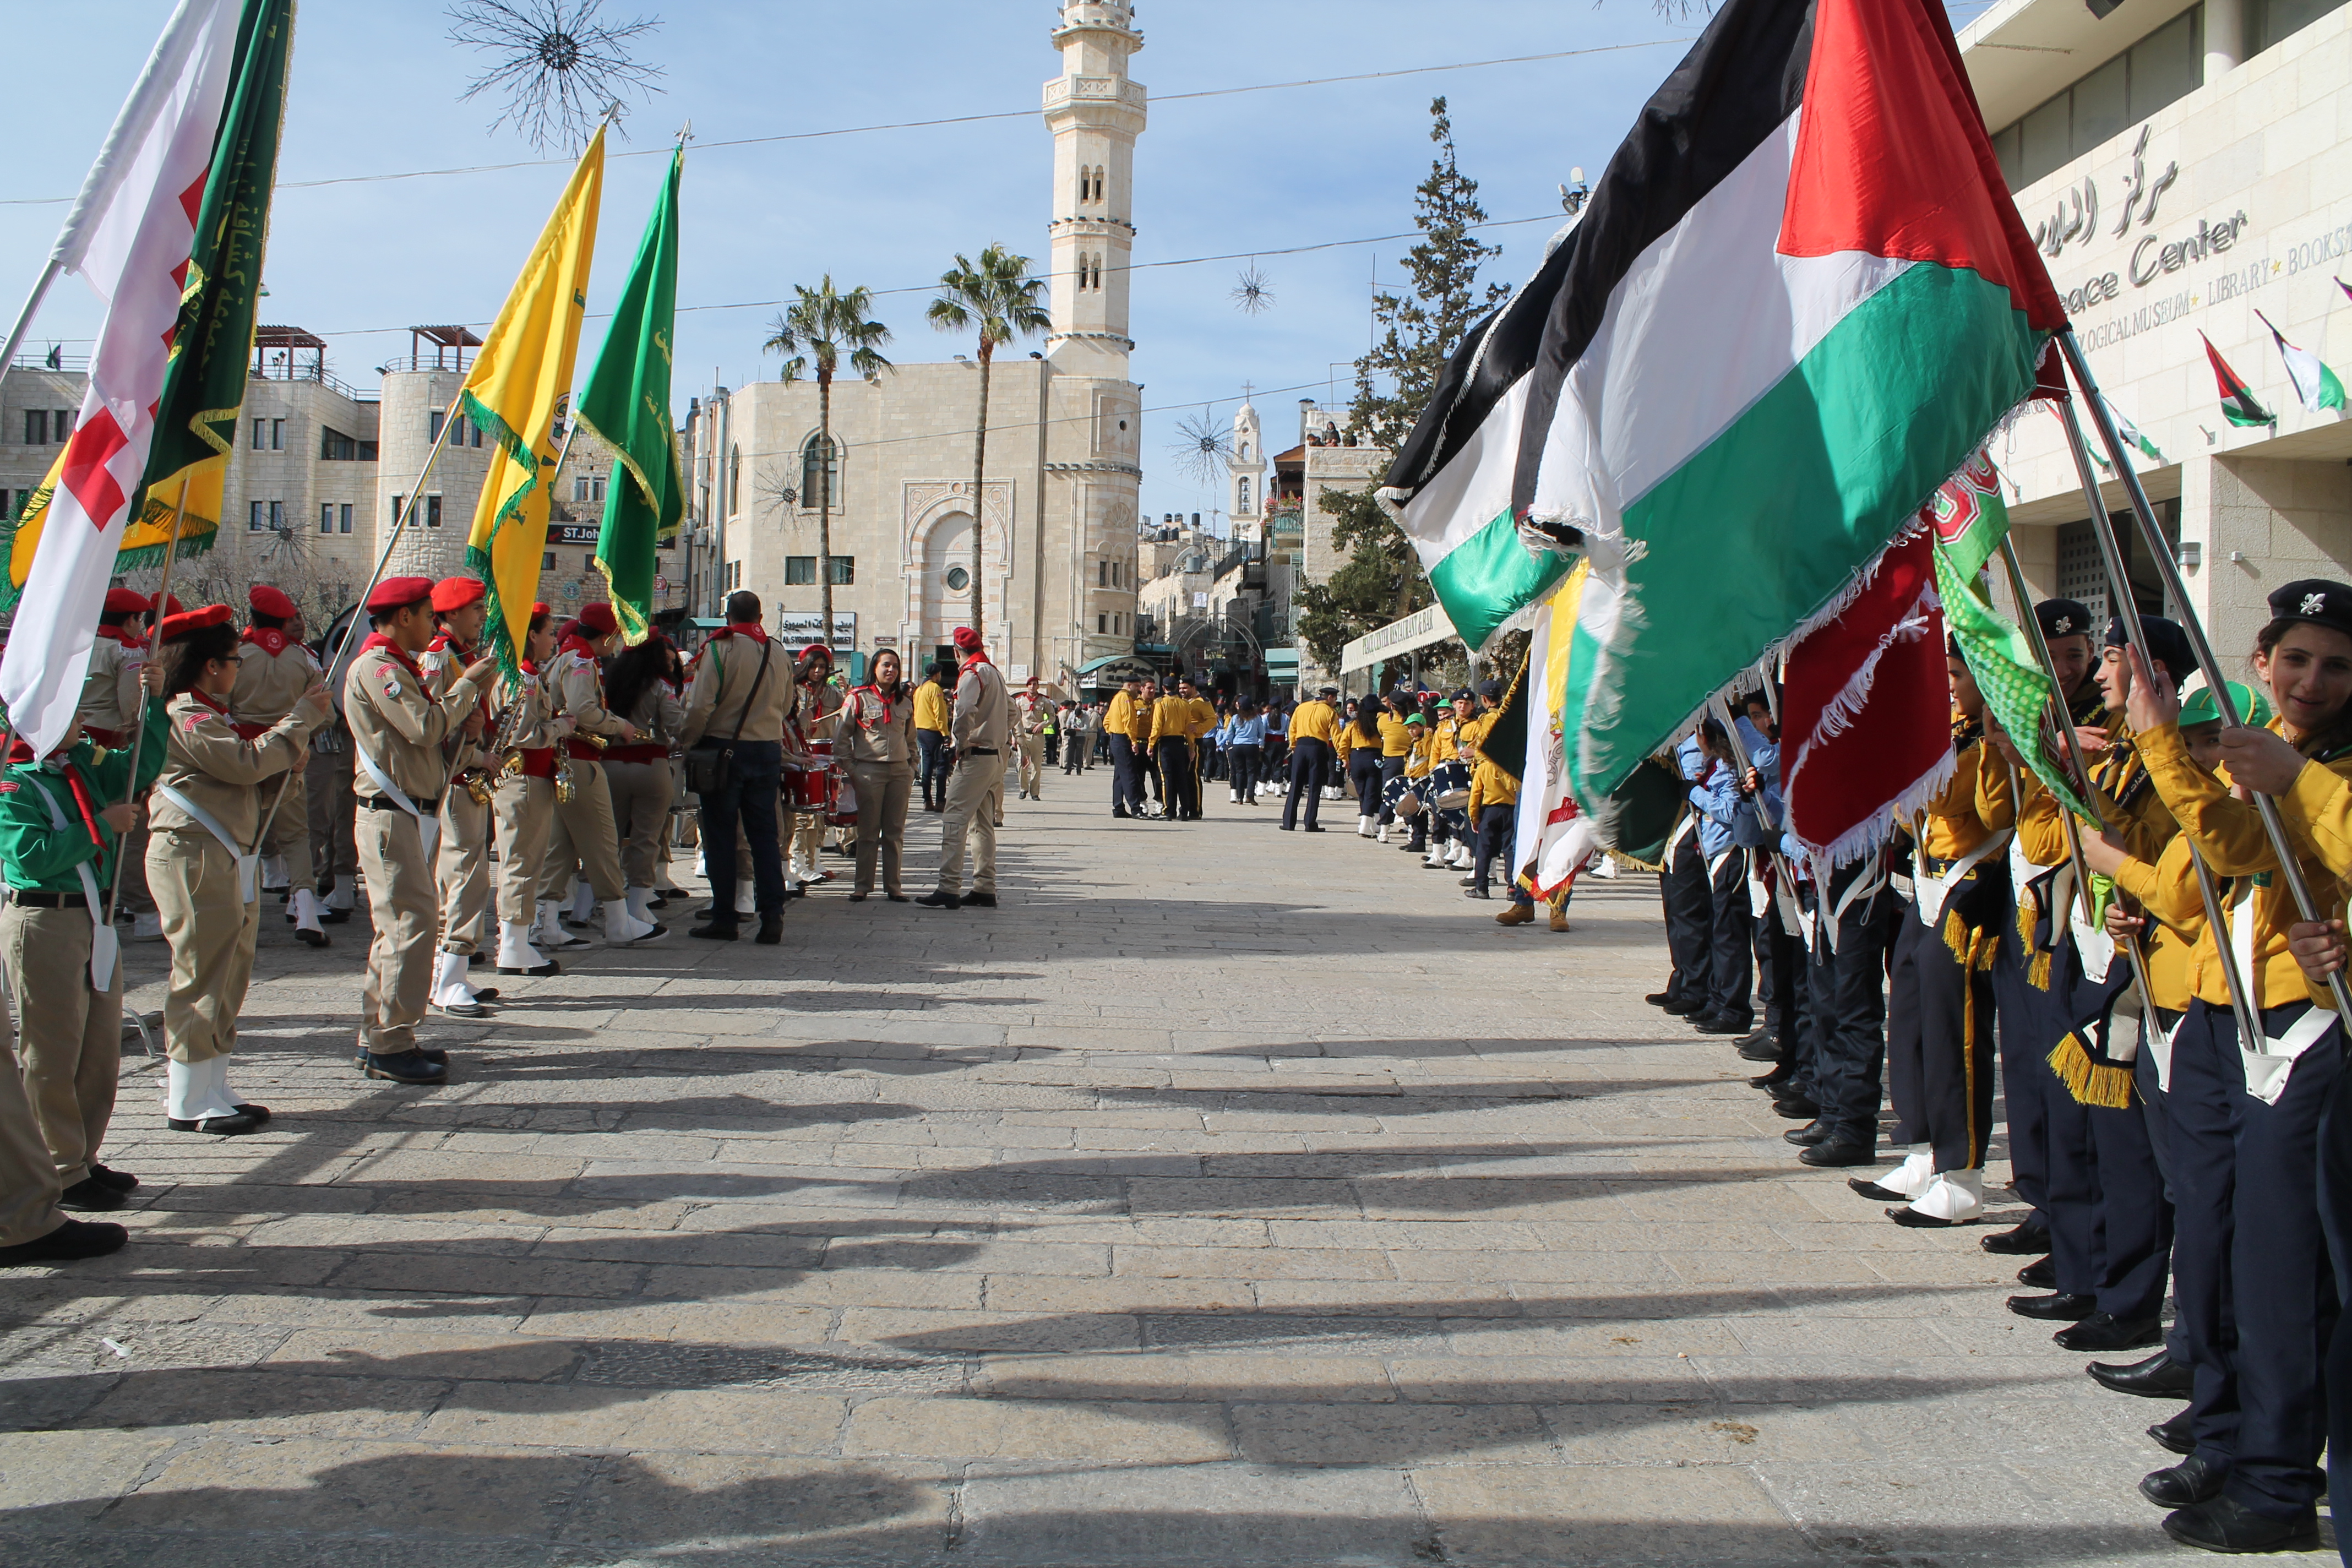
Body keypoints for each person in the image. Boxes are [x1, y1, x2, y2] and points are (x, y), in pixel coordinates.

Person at [2109, 581, 2352, 1554]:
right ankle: (2235, 1443)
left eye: (2335, 665)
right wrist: (2163, 741)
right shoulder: (2274, 756)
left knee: (2283, 1268)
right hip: (2224, 1018)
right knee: (2220, 1244)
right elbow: (2232, 844)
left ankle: (2279, 1478)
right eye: (2295, 659)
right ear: (2260, 661)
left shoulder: (2316, 766)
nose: (2312, 680)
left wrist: (2294, 775)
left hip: (2301, 1026)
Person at [149, 602, 329, 1114]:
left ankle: (213, 1080)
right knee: (201, 972)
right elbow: (243, 764)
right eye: (235, 660)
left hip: (228, 852)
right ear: (211, 665)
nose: (239, 668)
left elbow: (254, 793)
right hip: (196, 852)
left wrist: (291, 769)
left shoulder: (214, 715)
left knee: (231, 971)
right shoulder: (188, 713)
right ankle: (187, 1097)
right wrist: (297, 723)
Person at [0, 657, 165, 1207]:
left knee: (98, 1048)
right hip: (46, 919)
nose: (82, 718)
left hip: (92, 916)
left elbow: (138, 768)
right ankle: (59, 1166)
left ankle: (84, 1155)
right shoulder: (12, 778)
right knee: (53, 1051)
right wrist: (102, 829)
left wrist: (153, 703)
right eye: (68, 710)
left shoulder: (78, 763)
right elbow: (31, 854)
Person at [1871, 645, 2008, 1226]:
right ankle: (1922, 1148)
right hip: (1927, 885)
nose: (1947, 687)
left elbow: (1958, 800)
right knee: (1909, 1020)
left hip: (1971, 884)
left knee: (1958, 1033)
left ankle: (1963, 1173)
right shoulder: (1950, 734)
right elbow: (1909, 813)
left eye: (1955, 677)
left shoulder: (1982, 743)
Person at [344, 579, 498, 1083]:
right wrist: (467, 687)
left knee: (400, 926)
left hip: (407, 809)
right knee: (410, 926)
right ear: (405, 617)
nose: (435, 623)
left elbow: (430, 745)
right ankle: (392, 1040)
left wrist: (469, 732)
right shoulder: (380, 668)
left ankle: (383, 1035)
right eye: (428, 615)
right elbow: (424, 728)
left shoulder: (398, 666)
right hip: (389, 809)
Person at [541, 603, 665, 948]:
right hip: (580, 759)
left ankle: (546, 921)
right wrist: (620, 725)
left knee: (562, 847)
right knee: (604, 841)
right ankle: (617, 919)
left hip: (567, 759)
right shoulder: (581, 661)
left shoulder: (567, 657)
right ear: (608, 634)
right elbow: (583, 711)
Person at [679, 590, 791, 943]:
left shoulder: (720, 647)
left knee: (722, 836)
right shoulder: (779, 650)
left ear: (728, 617)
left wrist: (687, 740)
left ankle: (725, 916)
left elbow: (700, 706)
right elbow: (787, 705)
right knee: (765, 838)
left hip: (724, 751)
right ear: (760, 618)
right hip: (768, 750)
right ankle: (772, 915)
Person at [232, 585, 330, 945]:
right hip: (290, 754)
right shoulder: (304, 659)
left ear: (254, 618)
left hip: (243, 754)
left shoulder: (239, 655)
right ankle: (305, 906)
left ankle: (240, 908)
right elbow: (326, 712)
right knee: (295, 834)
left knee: (241, 833)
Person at [418, 577, 498, 1015]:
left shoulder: (463, 655)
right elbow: (432, 722)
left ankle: (454, 974)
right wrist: (472, 749)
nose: (482, 617)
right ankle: (447, 980)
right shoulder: (439, 657)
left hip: (469, 772)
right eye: (475, 610)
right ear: (450, 614)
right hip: (452, 778)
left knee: (470, 875)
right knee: (464, 875)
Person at [491, 607, 569, 976]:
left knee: (525, 862)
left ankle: (514, 940)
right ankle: (513, 945)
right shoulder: (523, 678)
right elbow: (522, 735)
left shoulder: (529, 675)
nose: (554, 639)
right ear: (532, 635)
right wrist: (559, 727)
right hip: (523, 779)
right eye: (550, 632)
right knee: (522, 863)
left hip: (529, 780)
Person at [84, 588, 162, 941]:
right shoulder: (126, 651)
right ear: (131, 621)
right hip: (109, 754)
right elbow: (134, 708)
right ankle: (143, 911)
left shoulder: (79, 645)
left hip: (70, 750)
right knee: (128, 830)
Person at [922, 626, 1009, 910]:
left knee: (955, 818)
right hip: (994, 757)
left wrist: (959, 743)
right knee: (982, 823)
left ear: (957, 652)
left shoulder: (972, 674)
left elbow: (964, 711)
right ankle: (985, 887)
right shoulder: (994, 672)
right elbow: (1014, 713)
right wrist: (998, 734)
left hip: (975, 756)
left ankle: (948, 887)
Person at [603, 633, 686, 927]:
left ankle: (585, 906)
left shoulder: (608, 681)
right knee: (646, 839)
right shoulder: (660, 685)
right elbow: (678, 725)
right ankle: (638, 906)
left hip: (610, 764)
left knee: (606, 838)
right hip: (651, 764)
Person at [841, 648, 916, 901]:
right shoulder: (858, 698)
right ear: (874, 667)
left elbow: (912, 740)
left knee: (895, 832)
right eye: (885, 665)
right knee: (868, 832)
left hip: (899, 772)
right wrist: (852, 770)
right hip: (869, 771)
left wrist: (912, 768)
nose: (890, 670)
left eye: (895, 666)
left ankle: (893, 886)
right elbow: (841, 739)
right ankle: (862, 885)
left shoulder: (904, 702)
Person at [1282, 686, 1338, 832]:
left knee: (1296, 785)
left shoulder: (1302, 708)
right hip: (1317, 748)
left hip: (1300, 747)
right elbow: (1337, 736)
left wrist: (1294, 745)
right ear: (1330, 698)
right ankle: (1310, 822)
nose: (1335, 703)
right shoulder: (1330, 712)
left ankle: (1289, 822)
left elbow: (1292, 728)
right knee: (1315, 787)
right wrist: (1342, 754)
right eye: (1335, 699)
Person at [1148, 677, 1202, 823]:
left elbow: (1157, 726)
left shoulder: (1161, 703)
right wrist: (1191, 748)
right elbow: (1188, 728)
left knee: (1167, 779)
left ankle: (1168, 810)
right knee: (1182, 778)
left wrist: (1151, 744)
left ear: (1164, 688)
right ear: (1176, 688)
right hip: (1181, 743)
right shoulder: (1184, 704)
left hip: (1166, 744)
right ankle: (1184, 811)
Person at [1104, 677, 1146, 819]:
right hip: (1123, 739)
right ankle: (1136, 808)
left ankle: (1118, 807)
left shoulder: (1116, 697)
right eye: (1137, 686)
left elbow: (1107, 720)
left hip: (1116, 738)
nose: (1139, 690)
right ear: (1129, 686)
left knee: (1120, 776)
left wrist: (1112, 732)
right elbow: (1129, 721)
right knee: (1130, 775)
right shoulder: (1126, 698)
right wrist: (1133, 740)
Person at [1341, 700, 1384, 836]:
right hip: (1374, 757)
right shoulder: (1379, 724)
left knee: (1362, 793)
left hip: (1357, 757)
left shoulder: (1353, 724)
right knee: (1371, 793)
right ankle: (1367, 825)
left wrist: (1344, 758)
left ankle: (1367, 822)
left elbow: (1343, 743)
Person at [913, 660, 951, 812]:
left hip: (921, 730)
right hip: (934, 731)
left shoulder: (919, 690)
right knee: (942, 764)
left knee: (927, 767)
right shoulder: (935, 689)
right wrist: (946, 734)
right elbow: (940, 713)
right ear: (936, 675)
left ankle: (927, 800)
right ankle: (940, 800)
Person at [1013, 674, 1049, 801]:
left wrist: (1043, 724)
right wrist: (1016, 737)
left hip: (1038, 736)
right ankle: (1023, 789)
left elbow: (1052, 717)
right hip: (1024, 736)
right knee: (1021, 764)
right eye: (1030, 684)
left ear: (1038, 686)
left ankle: (1035, 792)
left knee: (1036, 765)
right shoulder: (1020, 700)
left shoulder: (1044, 701)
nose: (1032, 687)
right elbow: (1016, 719)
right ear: (1027, 686)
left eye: (1035, 684)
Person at [1224, 700, 1266, 804]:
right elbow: (1262, 733)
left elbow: (1229, 733)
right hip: (1252, 746)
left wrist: (1233, 741)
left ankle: (1239, 797)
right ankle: (1250, 796)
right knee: (1252, 772)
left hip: (1238, 745)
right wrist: (1258, 739)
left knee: (1239, 771)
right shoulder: (1256, 718)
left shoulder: (1235, 718)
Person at [1061, 700, 1091, 776]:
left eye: (1079, 716)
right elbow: (1068, 722)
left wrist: (1078, 729)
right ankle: (1069, 770)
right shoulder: (1072, 714)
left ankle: (1079, 770)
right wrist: (1069, 727)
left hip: (1081, 736)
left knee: (1079, 753)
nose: (1077, 717)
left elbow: (1086, 728)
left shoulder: (1086, 716)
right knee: (1070, 753)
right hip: (1073, 736)